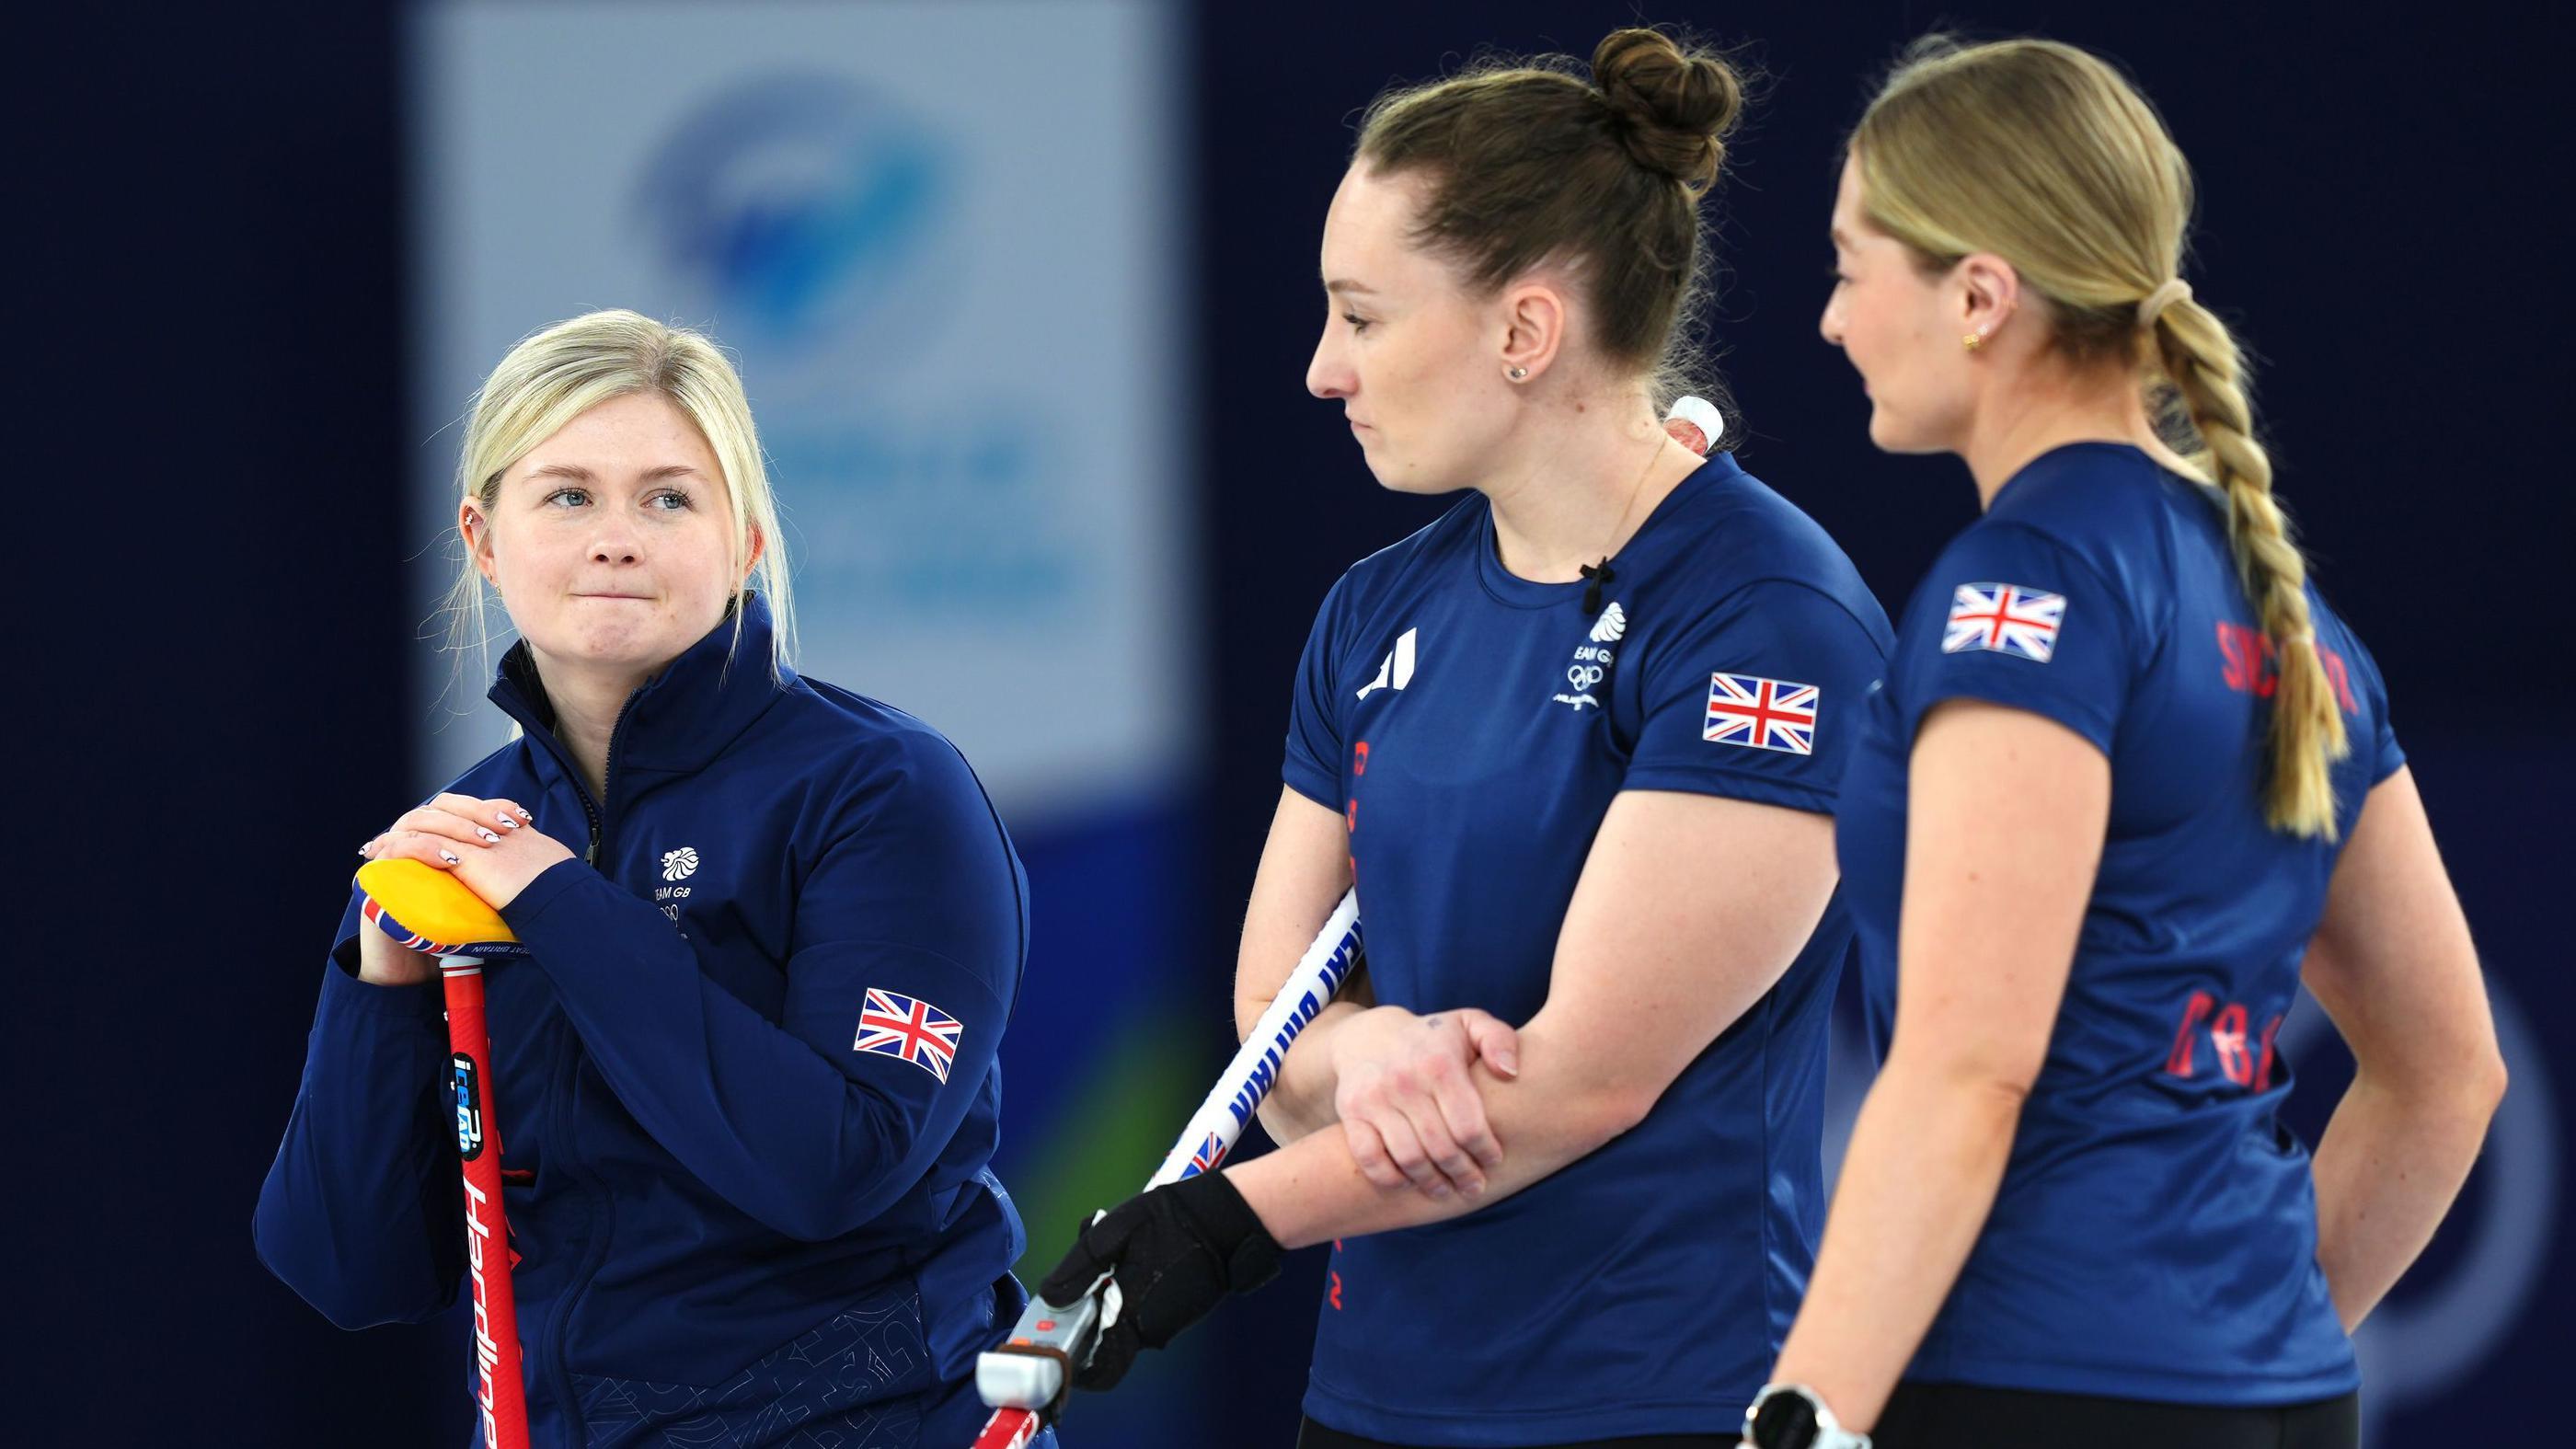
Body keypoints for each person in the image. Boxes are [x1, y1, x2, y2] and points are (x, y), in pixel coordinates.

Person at [1041, 29, 1893, 1448]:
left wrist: (1218, 1223)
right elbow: (1272, 1012)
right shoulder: (1377, 608)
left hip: (1657, 1402)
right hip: (1372, 1401)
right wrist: (1363, 1052)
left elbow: (1581, 1081)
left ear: (1525, 330)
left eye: (1363, 317)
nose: (1322, 369)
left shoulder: (1767, 615)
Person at [1738, 38, 2509, 1449]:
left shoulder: (2023, 584)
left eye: (1853, 268)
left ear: (1978, 295)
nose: (1833, 320)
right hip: (2275, 1392)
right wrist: (2246, 1338)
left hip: (2039, 1387)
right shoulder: (2293, 612)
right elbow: (2449, 1067)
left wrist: (1803, 1419)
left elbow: (1970, 1069)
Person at [253, 310, 1049, 1448]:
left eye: (669, 498)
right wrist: (376, 989)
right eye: (567, 495)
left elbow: (836, 1165)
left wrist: (562, 905)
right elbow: (347, 1270)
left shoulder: (887, 791)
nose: (615, 538)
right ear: (483, 538)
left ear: (747, 544)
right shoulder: (474, 829)